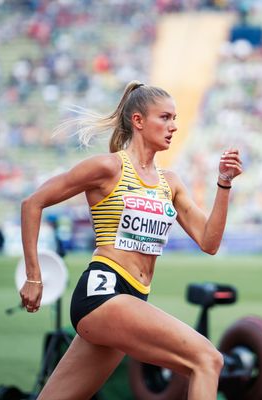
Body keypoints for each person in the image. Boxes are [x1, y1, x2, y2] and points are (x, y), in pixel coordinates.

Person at [19, 81, 243, 400]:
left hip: (133, 299)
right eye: (164, 117)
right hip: (103, 292)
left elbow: (209, 242)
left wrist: (223, 184)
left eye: (175, 118)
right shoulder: (108, 167)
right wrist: (34, 276)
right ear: (138, 121)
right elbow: (32, 203)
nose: (174, 126)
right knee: (208, 359)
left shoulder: (170, 183)